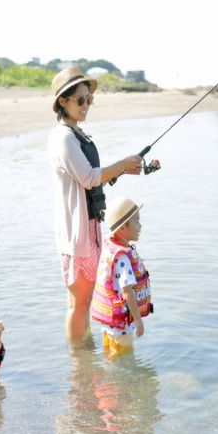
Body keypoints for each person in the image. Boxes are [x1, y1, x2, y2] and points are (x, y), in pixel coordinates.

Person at [49, 67, 143, 340]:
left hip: (89, 226)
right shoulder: (63, 137)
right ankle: (78, 362)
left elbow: (90, 181)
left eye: (89, 99)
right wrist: (122, 164)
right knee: (78, 303)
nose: (86, 105)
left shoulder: (76, 134)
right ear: (63, 102)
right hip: (75, 233)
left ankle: (82, 359)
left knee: (85, 301)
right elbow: (89, 177)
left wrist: (123, 170)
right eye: (80, 100)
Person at [91, 196, 152, 356]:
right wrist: (138, 320)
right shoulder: (123, 258)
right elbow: (127, 291)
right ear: (122, 229)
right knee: (123, 359)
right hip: (121, 326)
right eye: (136, 222)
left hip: (109, 322)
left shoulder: (110, 248)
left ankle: (108, 381)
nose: (140, 226)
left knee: (110, 357)